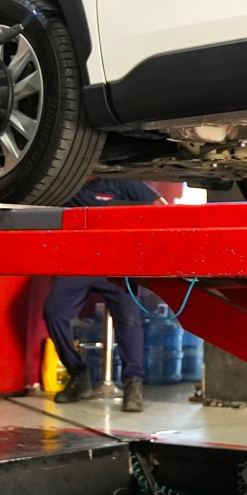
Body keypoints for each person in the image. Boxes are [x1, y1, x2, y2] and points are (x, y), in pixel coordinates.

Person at [44, 177, 161, 412]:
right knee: (54, 312)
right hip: (78, 264)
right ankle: (78, 375)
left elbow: (162, 209)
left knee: (129, 319)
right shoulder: (65, 184)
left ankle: (133, 383)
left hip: (118, 264)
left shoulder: (123, 183)